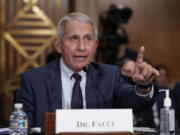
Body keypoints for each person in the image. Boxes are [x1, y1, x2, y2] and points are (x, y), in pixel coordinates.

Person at [16, 12, 159, 128]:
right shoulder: (33, 80)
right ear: (59, 45)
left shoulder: (109, 75)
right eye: (73, 38)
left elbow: (133, 101)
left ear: (95, 46)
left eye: (88, 39)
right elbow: (23, 128)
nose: (82, 47)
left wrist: (143, 86)